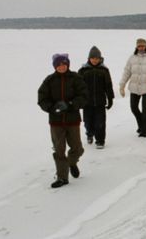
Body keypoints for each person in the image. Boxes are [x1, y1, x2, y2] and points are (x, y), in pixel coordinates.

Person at [38, 53, 88, 188]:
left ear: (68, 65)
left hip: (73, 120)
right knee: (59, 150)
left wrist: (71, 104)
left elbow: (84, 96)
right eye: (58, 65)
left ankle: (71, 162)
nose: (61, 67)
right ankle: (62, 177)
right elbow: (42, 98)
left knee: (77, 148)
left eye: (64, 64)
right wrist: (52, 108)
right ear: (55, 66)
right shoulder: (49, 80)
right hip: (56, 122)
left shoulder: (76, 78)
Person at [120, 38, 146, 137]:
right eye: (139, 46)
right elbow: (127, 72)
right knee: (134, 108)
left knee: (145, 108)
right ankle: (142, 124)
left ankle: (145, 131)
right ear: (136, 47)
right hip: (134, 87)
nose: (141, 48)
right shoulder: (132, 58)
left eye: (143, 46)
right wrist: (122, 85)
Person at [78, 46, 115, 149]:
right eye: (93, 58)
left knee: (100, 122)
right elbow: (78, 87)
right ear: (89, 59)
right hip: (87, 102)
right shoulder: (83, 70)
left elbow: (108, 85)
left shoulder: (104, 70)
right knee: (87, 121)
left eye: (97, 58)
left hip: (100, 102)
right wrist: (78, 100)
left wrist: (110, 98)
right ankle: (89, 134)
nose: (95, 60)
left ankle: (100, 140)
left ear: (100, 59)